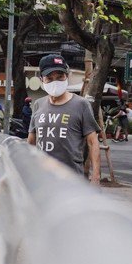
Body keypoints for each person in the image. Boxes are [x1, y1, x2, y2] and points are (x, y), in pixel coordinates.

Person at [27, 54, 100, 186]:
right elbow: (31, 141)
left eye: (60, 77)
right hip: (42, 178)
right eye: (49, 78)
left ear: (67, 76)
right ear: (41, 79)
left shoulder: (81, 105)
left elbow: (93, 142)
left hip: (71, 179)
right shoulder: (38, 104)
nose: (55, 82)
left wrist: (95, 177)